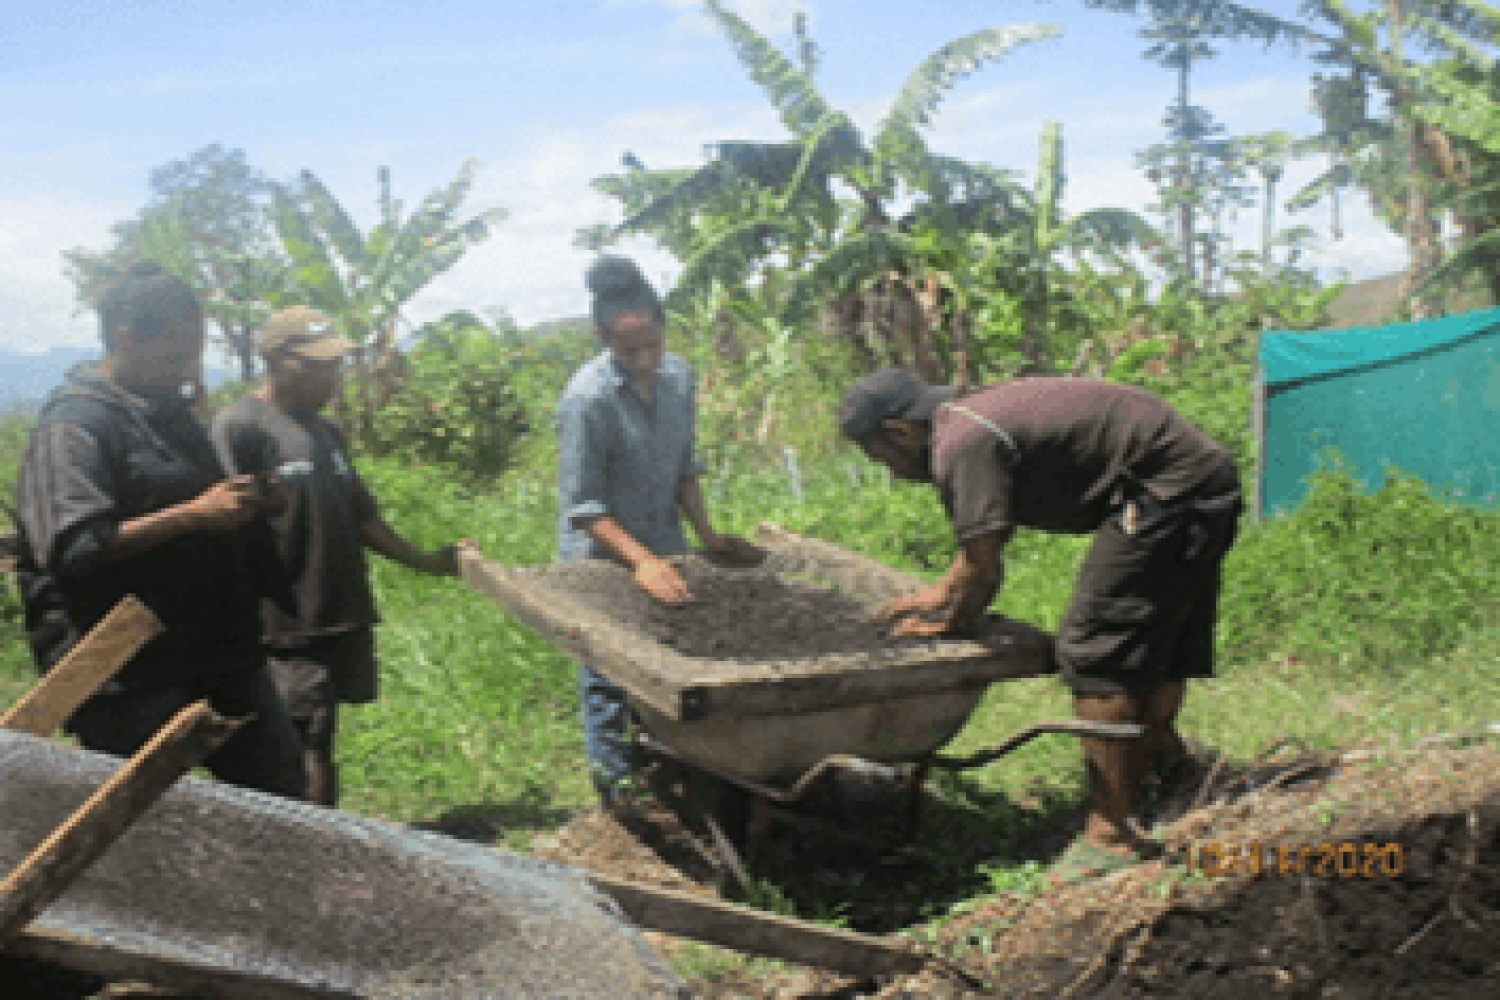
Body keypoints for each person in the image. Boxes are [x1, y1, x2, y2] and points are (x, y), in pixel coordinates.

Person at [840, 368, 1243, 862]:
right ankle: (1168, 765)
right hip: (1204, 480)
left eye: (876, 453)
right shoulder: (968, 418)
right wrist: (938, 591)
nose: (887, 469)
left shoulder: (960, 445)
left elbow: (984, 569)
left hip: (1163, 493)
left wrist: (952, 621)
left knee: (1095, 647)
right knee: (1160, 637)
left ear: (899, 431)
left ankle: (1110, 834)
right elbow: (978, 548)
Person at [11, 262, 306, 800]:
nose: (189, 368)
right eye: (176, 355)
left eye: (194, 353)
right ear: (125, 338)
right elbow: (73, 546)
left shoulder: (168, 411)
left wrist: (248, 502)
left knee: (281, 796)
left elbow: (188, 499)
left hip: (218, 649)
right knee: (130, 825)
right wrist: (196, 514)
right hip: (127, 670)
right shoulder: (73, 426)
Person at [210, 306, 467, 807]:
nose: (334, 376)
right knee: (301, 744)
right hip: (284, 626)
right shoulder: (242, 427)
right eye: (321, 365)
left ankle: (316, 851)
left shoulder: (327, 435)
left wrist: (429, 561)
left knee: (321, 738)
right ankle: (311, 862)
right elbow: (221, 521)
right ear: (281, 363)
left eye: (336, 364)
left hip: (335, 614)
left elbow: (361, 518)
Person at [556, 255, 754, 809]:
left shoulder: (679, 377)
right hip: (601, 555)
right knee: (608, 675)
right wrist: (640, 563)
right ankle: (618, 793)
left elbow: (683, 465)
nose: (644, 361)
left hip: (664, 542)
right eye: (629, 351)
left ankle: (670, 768)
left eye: (652, 346)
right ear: (602, 338)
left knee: (670, 659)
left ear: (664, 329)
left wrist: (707, 535)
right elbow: (584, 507)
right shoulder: (586, 399)